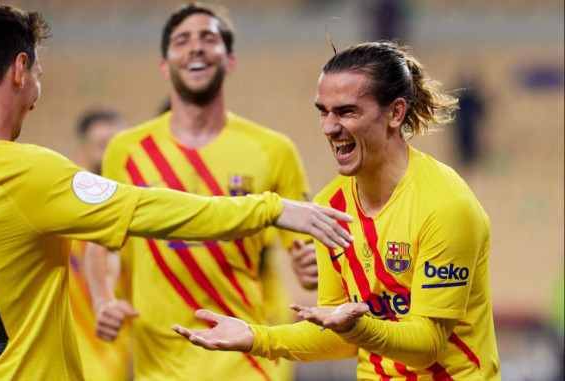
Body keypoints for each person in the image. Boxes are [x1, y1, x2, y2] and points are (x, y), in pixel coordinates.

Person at [0, 3, 354, 380]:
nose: (36, 93)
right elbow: (153, 208)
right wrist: (270, 208)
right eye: (37, 74)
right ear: (19, 70)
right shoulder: (28, 173)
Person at [172, 41, 501, 381]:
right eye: (323, 111)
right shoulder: (330, 206)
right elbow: (336, 333)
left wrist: (357, 328)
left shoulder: (446, 206)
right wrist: (257, 337)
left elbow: (428, 344)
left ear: (395, 113)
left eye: (346, 111)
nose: (329, 127)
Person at [86, 3, 317, 380]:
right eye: (182, 40)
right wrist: (103, 299)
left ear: (230, 62)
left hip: (250, 363)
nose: (196, 47)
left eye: (209, 38)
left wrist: (311, 270)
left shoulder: (274, 150)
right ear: (164, 65)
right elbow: (103, 242)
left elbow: (307, 262)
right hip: (158, 366)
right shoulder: (125, 151)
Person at [68, 108, 131, 380]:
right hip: (68, 355)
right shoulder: (59, 216)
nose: (110, 156)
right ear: (81, 152)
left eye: (117, 146)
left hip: (118, 359)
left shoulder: (137, 220)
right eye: (103, 145)